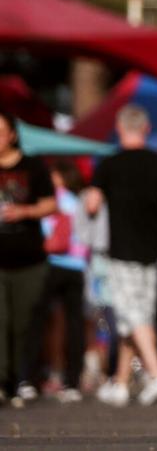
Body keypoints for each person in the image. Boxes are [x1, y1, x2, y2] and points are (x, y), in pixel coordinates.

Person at [82, 105, 157, 407]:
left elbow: (92, 205)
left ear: (119, 129)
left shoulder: (108, 164)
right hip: (152, 251)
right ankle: (120, 383)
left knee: (131, 315)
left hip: (122, 249)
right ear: (146, 129)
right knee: (137, 316)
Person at [18, 162, 88, 404]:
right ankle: (73, 382)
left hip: (52, 263)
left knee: (37, 322)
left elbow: (44, 232)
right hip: (77, 265)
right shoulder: (77, 200)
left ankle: (28, 379)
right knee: (74, 324)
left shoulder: (51, 199)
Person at [0, 110, 57, 407]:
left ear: (12, 135)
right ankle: (1, 381)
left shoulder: (33, 166)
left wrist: (24, 212)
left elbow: (51, 204)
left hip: (28, 259)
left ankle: (19, 379)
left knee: (23, 323)